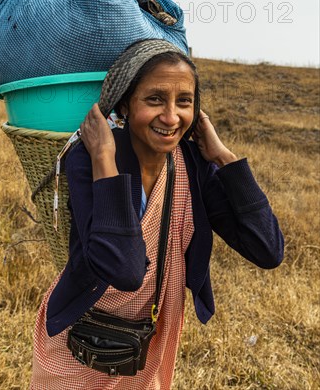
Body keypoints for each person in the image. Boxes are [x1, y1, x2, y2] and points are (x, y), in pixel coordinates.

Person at [30, 39, 284, 389]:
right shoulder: (90, 159)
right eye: (154, 99)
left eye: (184, 102)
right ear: (126, 104)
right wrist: (104, 157)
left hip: (146, 346)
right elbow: (125, 269)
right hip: (80, 340)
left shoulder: (192, 165)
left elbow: (267, 249)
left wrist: (224, 158)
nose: (170, 116)